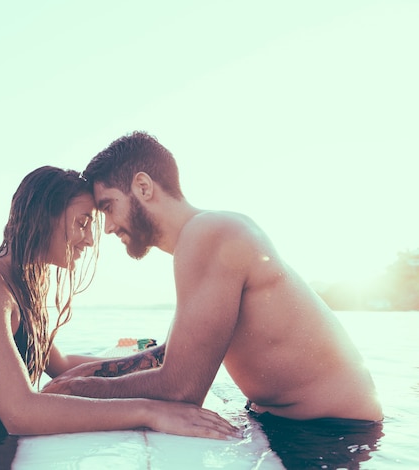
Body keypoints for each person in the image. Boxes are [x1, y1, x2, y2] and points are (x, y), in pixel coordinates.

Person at [42, 132, 383, 426]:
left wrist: (79, 391)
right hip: (301, 426)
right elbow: (167, 357)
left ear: (142, 187)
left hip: (332, 436)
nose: (110, 226)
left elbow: (182, 388)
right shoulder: (202, 238)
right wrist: (80, 372)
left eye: (109, 207)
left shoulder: (209, 234)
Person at [0, 165, 238, 439]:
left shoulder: (25, 285)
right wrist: (149, 411)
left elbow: (61, 366)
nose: (91, 238)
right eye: (82, 223)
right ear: (43, 216)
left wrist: (159, 358)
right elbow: (20, 413)